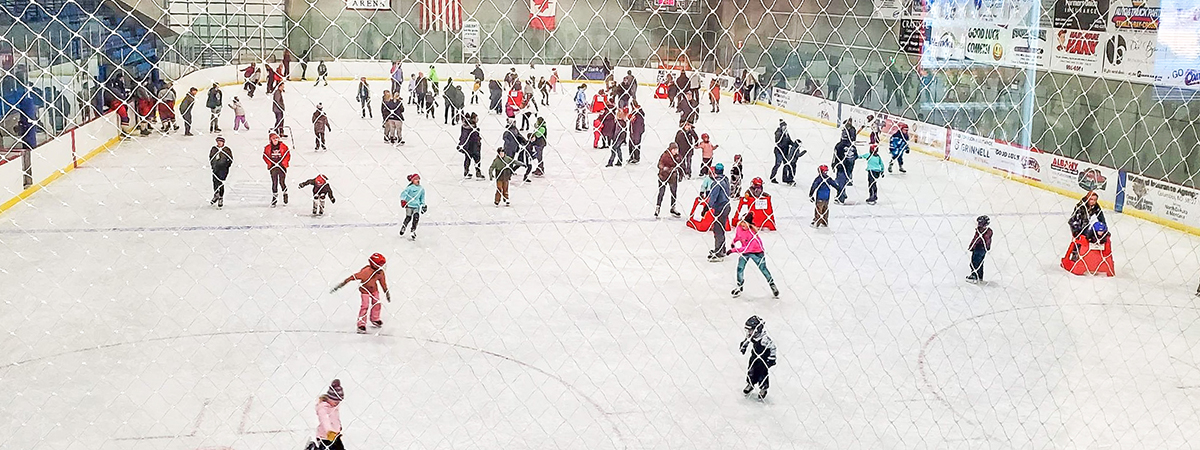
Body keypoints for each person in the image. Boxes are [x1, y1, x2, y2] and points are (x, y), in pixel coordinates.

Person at [332, 253, 391, 333]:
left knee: (377, 303)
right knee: (365, 306)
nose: (381, 267)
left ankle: (375, 319)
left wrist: (386, 292)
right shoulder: (365, 272)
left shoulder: (380, 273)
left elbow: (383, 283)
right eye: (380, 265)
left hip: (374, 291)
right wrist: (342, 284)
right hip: (365, 291)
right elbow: (353, 277)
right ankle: (361, 324)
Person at [729, 212, 779, 298]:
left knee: (763, 269)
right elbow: (738, 236)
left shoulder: (753, 235)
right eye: (742, 221)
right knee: (740, 268)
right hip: (745, 251)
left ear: (750, 224)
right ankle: (739, 286)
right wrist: (734, 242)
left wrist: (732, 250)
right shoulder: (739, 228)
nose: (743, 224)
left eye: (745, 222)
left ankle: (772, 285)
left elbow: (747, 249)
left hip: (757, 252)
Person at [740, 315, 777, 400]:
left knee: (762, 374)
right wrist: (744, 346)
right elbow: (747, 340)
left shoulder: (764, 339)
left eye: (750, 330)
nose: (749, 332)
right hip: (754, 356)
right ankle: (750, 384)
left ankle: (763, 388)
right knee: (751, 370)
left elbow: (773, 347)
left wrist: (772, 358)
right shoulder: (753, 336)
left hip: (763, 360)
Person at [708, 163, 732, 262]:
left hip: (720, 207)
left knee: (718, 229)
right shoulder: (725, 179)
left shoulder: (717, 183)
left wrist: (708, 206)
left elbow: (713, 196)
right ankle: (722, 248)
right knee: (721, 228)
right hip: (727, 206)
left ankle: (719, 252)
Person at [314, 380, 345, 450]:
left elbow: (335, 419)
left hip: (336, 436)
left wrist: (339, 427)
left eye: (339, 401)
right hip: (325, 437)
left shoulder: (334, 407)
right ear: (330, 398)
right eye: (335, 401)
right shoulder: (323, 408)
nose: (337, 403)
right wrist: (329, 431)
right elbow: (325, 420)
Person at [655, 143, 683, 218]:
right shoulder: (665, 155)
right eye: (674, 149)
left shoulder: (678, 156)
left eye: (676, 149)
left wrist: (681, 175)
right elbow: (659, 164)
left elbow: (681, 165)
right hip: (663, 176)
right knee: (661, 192)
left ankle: (673, 208)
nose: (675, 151)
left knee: (673, 193)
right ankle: (658, 208)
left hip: (673, 177)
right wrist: (664, 168)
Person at [263, 132, 290, 206]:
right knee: (274, 183)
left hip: (282, 167)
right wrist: (270, 163)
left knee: (282, 182)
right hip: (273, 167)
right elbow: (265, 156)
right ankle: (274, 198)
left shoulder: (283, 146)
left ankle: (285, 194)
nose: (275, 140)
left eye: (276, 138)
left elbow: (287, 155)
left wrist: (284, 163)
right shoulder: (267, 148)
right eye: (273, 139)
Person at [399, 174, 426, 240]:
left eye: (418, 179)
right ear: (412, 180)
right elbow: (403, 194)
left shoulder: (421, 189)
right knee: (408, 217)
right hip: (409, 205)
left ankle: (413, 230)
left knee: (416, 217)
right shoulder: (409, 188)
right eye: (416, 179)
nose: (418, 180)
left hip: (416, 206)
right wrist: (403, 200)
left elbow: (422, 198)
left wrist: (423, 205)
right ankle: (404, 226)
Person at [967, 215, 993, 282]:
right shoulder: (989, 231)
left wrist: (971, 247)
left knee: (974, 262)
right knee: (980, 262)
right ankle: (980, 276)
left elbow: (976, 239)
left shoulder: (980, 231)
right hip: (984, 249)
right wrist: (987, 248)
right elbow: (989, 241)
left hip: (978, 248)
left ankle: (974, 275)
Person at [209, 136, 232, 208]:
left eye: (220, 141)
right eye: (218, 141)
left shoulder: (226, 149)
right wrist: (213, 165)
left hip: (223, 169)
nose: (219, 142)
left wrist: (226, 165)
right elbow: (211, 157)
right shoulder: (214, 149)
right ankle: (216, 194)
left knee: (221, 183)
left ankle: (221, 197)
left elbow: (230, 159)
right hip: (215, 168)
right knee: (215, 182)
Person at [458, 112, 484, 179]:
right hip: (474, 146)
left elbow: (462, 136)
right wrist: (478, 140)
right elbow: (474, 137)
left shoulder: (464, 127)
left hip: (467, 147)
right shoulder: (473, 128)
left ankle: (466, 172)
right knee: (477, 159)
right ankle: (478, 173)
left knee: (467, 159)